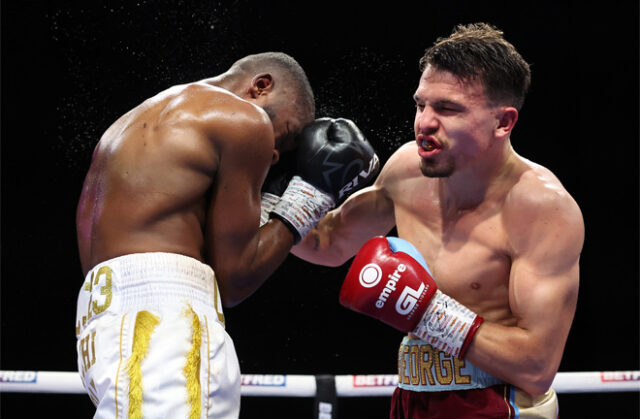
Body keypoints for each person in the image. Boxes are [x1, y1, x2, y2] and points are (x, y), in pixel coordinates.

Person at [292, 23, 584, 418]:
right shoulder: (407, 170)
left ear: (504, 122)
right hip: (413, 399)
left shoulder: (541, 209)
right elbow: (327, 243)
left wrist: (427, 314)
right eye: (421, 104)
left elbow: (536, 367)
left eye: (447, 109)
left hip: (498, 405)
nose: (424, 122)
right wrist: (271, 193)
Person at [74, 52, 379, 418]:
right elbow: (235, 279)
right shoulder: (244, 118)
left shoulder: (138, 119)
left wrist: (268, 201)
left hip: (102, 325)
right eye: (284, 135)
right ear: (260, 87)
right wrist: (313, 195)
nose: (276, 155)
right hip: (163, 322)